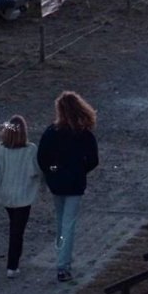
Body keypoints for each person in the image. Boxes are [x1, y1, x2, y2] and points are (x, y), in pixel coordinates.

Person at [37, 91, 99, 283]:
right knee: (68, 224)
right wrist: (80, 170)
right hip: (75, 183)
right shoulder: (85, 134)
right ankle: (63, 266)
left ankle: (61, 257)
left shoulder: (51, 132)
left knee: (61, 221)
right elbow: (94, 160)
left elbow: (42, 158)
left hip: (56, 183)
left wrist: (53, 172)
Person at [0, 114, 41, 279]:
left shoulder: (1, 149)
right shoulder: (31, 150)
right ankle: (12, 266)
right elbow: (37, 171)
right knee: (17, 232)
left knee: (14, 227)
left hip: (6, 195)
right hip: (23, 197)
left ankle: (13, 263)